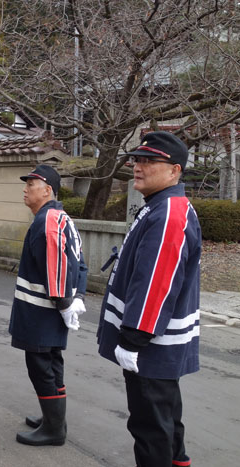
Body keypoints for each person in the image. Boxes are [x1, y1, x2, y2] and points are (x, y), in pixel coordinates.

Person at [97, 131, 200, 467]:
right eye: (137, 159)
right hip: (159, 345)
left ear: (174, 170)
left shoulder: (168, 213)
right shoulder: (163, 206)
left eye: (148, 160)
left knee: (151, 428)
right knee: (166, 420)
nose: (137, 166)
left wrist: (134, 338)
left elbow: (156, 281)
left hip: (152, 345)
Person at [9, 164, 87, 447]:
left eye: (31, 184)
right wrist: (76, 299)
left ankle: (54, 429)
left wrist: (65, 302)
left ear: (48, 190)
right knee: (51, 365)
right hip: (50, 310)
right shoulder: (61, 218)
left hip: (42, 312)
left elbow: (57, 269)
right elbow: (80, 264)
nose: (25, 190)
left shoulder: (48, 220)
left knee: (41, 366)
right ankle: (54, 419)